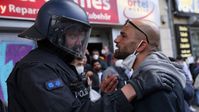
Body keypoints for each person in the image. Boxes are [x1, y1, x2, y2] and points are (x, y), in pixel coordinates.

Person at [7, 1, 176, 112]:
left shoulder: (61, 64)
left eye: (82, 36)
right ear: (55, 35)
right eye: (74, 36)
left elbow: (80, 105)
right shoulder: (36, 69)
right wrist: (133, 88)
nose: (80, 42)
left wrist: (104, 97)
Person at [103, 19, 187, 112]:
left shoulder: (155, 85)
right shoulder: (149, 79)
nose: (116, 40)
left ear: (141, 45)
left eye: (123, 36)